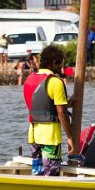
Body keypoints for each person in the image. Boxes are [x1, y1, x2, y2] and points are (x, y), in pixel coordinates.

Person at [24, 44, 74, 176]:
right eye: (59, 64)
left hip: (33, 135)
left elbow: (42, 103)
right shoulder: (56, 82)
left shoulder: (29, 79)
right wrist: (70, 137)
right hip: (50, 137)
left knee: (38, 174)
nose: (61, 68)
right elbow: (61, 113)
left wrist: (67, 103)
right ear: (53, 63)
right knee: (51, 174)